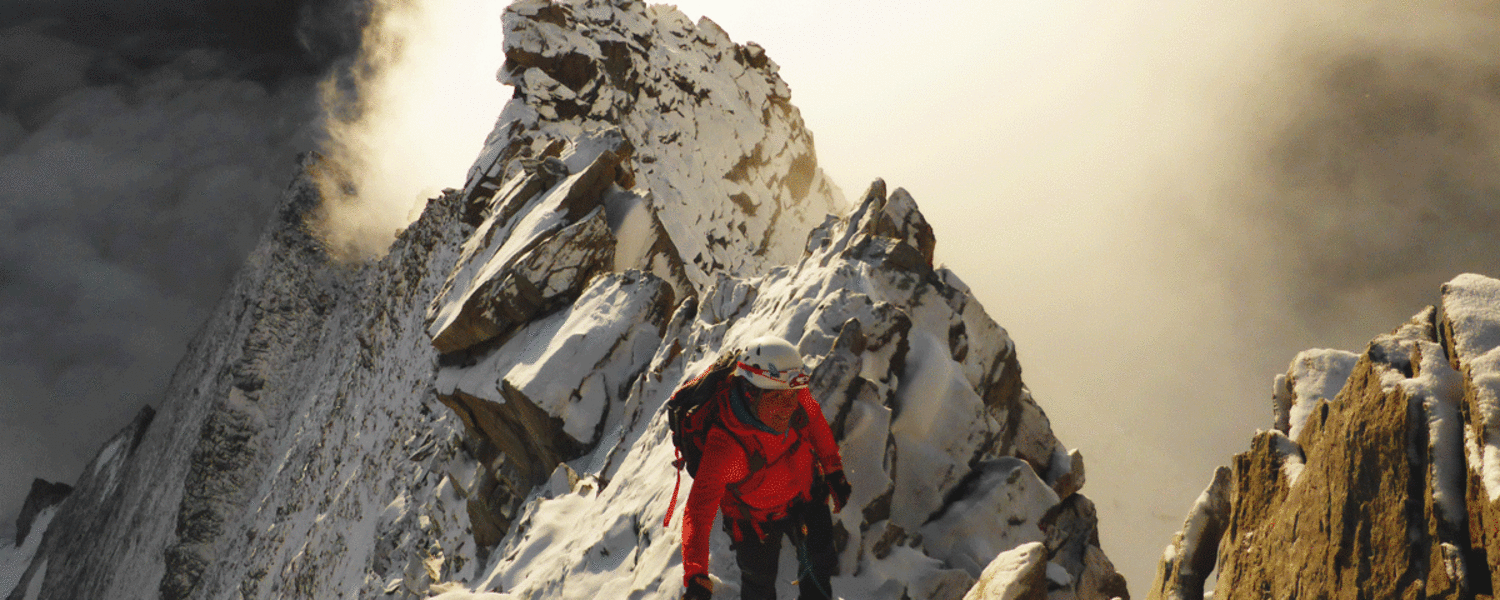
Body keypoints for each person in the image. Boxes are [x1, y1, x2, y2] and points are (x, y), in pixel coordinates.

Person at [680, 336, 853, 600]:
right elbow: (698, 511)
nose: (789, 406)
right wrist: (696, 574)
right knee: (758, 585)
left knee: (819, 564)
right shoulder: (726, 447)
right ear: (751, 392)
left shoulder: (789, 389)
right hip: (754, 520)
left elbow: (815, 421)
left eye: (792, 395)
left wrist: (834, 470)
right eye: (776, 397)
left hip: (805, 496)